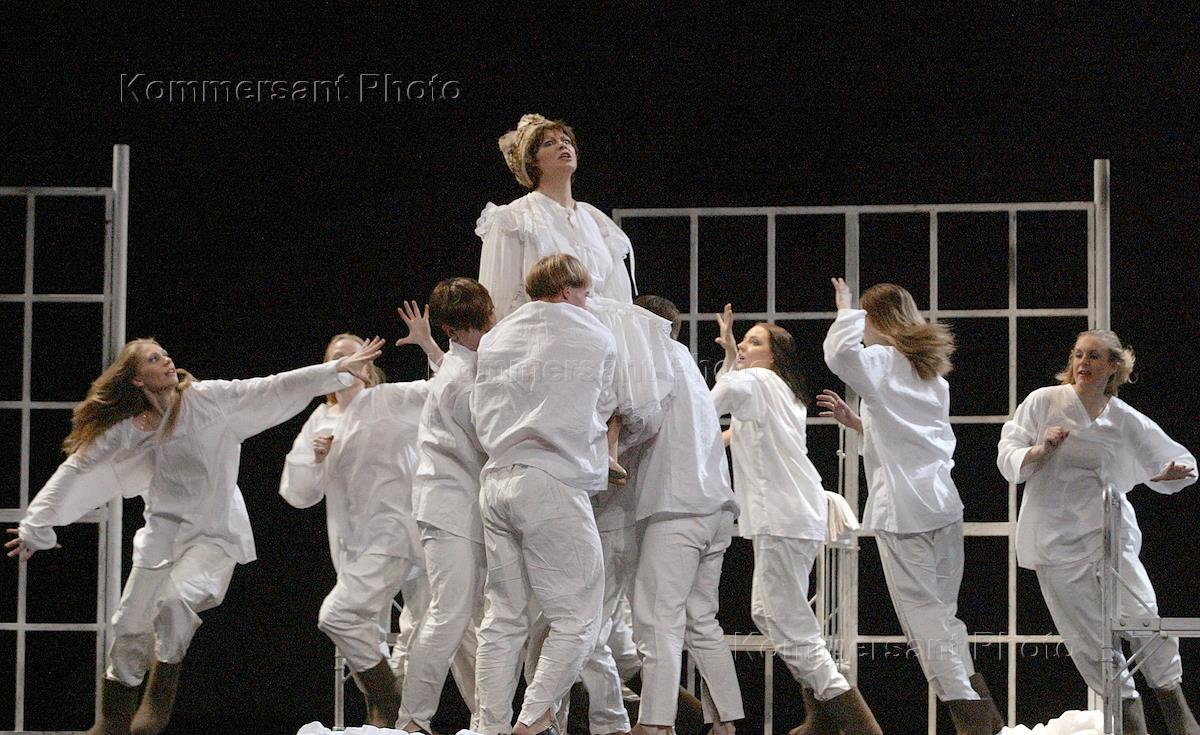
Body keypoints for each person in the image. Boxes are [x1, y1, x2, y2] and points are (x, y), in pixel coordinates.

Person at [5, 335, 382, 735]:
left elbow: (271, 387)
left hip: (214, 533)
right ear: (137, 380)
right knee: (129, 624)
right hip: (162, 534)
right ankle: (111, 721)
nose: (167, 361)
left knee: (175, 602)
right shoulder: (130, 430)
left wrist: (333, 371)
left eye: (165, 354)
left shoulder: (208, 400)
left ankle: (158, 699)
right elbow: (77, 468)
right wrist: (35, 526)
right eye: (154, 359)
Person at [996, 330, 1199, 735]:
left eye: (1093, 356)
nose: (1083, 363)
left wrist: (1168, 474)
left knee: (1145, 620)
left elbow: (1178, 462)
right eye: (1078, 355)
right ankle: (1132, 724)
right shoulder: (1044, 401)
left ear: (1113, 367)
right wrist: (1040, 449)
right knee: (1092, 645)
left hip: (1108, 537)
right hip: (1056, 543)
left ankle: (1178, 716)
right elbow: (1007, 455)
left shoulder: (1121, 417)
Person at [821, 278, 999, 735]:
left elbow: (839, 355)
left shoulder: (882, 361)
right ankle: (987, 720)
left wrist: (845, 310)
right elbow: (915, 436)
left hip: (904, 511)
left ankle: (973, 722)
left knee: (925, 622)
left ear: (875, 321)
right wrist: (860, 423)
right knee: (944, 616)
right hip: (942, 504)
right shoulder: (931, 374)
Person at [477, 112, 675, 484]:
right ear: (532, 161)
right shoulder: (514, 218)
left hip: (597, 332)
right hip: (547, 336)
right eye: (549, 143)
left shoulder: (595, 220)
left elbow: (617, 292)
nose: (562, 146)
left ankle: (608, 447)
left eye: (566, 140)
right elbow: (498, 295)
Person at [713, 305, 881, 735]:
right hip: (790, 515)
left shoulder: (757, 381)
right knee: (767, 612)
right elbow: (733, 431)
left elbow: (710, 406)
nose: (744, 346)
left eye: (754, 342)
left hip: (784, 517)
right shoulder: (780, 392)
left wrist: (729, 357)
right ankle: (822, 713)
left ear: (774, 356)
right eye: (743, 340)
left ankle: (857, 724)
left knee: (788, 620)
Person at [471, 253, 615, 735]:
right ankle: (533, 718)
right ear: (568, 290)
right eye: (585, 292)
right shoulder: (592, 331)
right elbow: (605, 402)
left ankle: (488, 727)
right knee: (579, 616)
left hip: (496, 479)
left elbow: (481, 407)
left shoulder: (497, 336)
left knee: (502, 618)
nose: (588, 301)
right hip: (550, 479)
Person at [279, 303, 443, 727]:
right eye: (337, 358)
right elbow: (299, 494)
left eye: (357, 355)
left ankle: (391, 706)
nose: (347, 363)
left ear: (369, 368)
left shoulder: (386, 400)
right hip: (352, 545)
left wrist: (428, 345)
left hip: (396, 534)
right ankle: (396, 719)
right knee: (398, 636)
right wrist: (315, 460)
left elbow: (447, 391)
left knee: (341, 615)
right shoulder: (320, 420)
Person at [627, 294, 744, 735]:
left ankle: (656, 723)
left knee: (658, 617)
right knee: (700, 619)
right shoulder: (687, 363)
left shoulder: (654, 361)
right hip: (714, 507)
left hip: (678, 506)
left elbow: (643, 422)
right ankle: (726, 720)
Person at [396, 279, 496, 734]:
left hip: (460, 505)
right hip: (448, 508)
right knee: (449, 616)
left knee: (473, 621)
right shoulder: (463, 379)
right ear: (456, 330)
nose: (489, 328)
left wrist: (428, 346)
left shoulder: (460, 363)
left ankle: (486, 719)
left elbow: (452, 367)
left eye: (487, 318)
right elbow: (490, 434)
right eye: (479, 325)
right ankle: (412, 721)